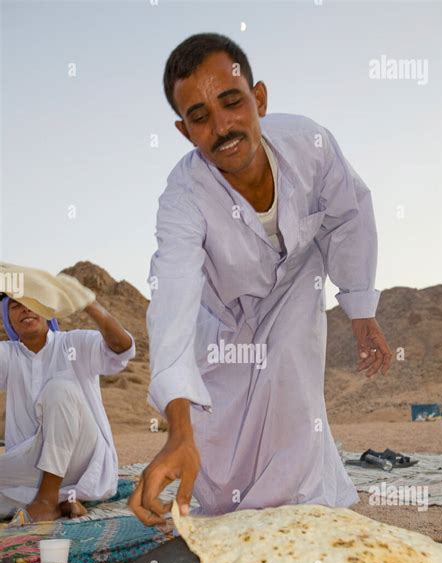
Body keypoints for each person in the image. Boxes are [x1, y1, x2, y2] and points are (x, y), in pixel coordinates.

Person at [129, 33, 392, 527]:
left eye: (231, 102)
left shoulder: (310, 144)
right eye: (199, 117)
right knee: (217, 447)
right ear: (185, 131)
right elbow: (173, 298)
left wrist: (360, 311)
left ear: (260, 99)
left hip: (295, 282)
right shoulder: (182, 198)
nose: (222, 126)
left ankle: (303, 522)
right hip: (221, 313)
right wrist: (178, 431)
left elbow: (349, 217)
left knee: (291, 380)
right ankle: (237, 528)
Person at [0, 296, 135, 522]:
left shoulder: (73, 343)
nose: (25, 310)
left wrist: (90, 303)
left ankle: (47, 499)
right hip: (31, 464)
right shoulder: (8, 354)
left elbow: (122, 348)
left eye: (32, 302)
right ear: (8, 318)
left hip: (81, 457)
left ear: (47, 310)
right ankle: (64, 501)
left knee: (59, 388)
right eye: (15, 306)